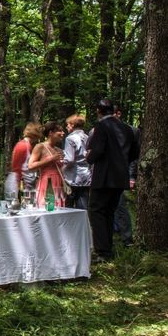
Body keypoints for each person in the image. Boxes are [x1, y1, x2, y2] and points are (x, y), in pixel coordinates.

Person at [86, 99, 140, 262]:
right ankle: (107, 249)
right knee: (109, 212)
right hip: (120, 178)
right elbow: (134, 154)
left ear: (98, 111)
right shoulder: (128, 128)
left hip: (103, 177)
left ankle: (103, 252)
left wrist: (90, 157)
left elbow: (97, 150)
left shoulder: (101, 127)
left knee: (97, 211)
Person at [112, 104, 140, 247]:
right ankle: (113, 235)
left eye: (114, 114)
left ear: (119, 114)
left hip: (122, 174)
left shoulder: (131, 131)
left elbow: (134, 157)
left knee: (121, 206)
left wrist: (131, 177)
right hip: (106, 176)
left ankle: (127, 239)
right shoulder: (104, 130)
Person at [28, 122, 66, 208]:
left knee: (59, 210)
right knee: (47, 208)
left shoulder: (59, 150)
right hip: (47, 182)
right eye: (59, 131)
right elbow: (30, 166)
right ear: (50, 133)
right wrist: (51, 159)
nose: (63, 133)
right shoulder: (40, 147)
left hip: (59, 183)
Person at [62, 115, 91, 209]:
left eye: (68, 125)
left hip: (73, 177)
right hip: (86, 175)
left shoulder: (70, 138)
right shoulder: (87, 137)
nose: (66, 127)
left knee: (69, 208)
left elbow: (70, 159)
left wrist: (61, 161)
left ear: (73, 125)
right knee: (83, 206)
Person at [7, 122, 43, 195]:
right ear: (36, 133)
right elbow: (16, 168)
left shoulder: (28, 145)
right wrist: (18, 186)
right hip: (23, 186)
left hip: (28, 184)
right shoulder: (23, 146)